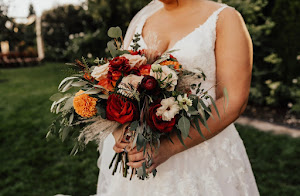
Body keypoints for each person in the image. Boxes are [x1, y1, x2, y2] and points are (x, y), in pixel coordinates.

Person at [96, 0, 260, 195]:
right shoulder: (143, 19)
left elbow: (233, 100)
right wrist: (121, 128)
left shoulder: (225, 18)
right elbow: (118, 82)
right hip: (140, 155)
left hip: (202, 153)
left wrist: (167, 148)